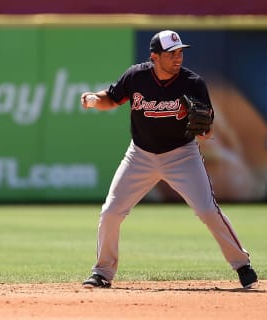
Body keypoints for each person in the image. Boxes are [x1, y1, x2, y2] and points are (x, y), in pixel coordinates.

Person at [80, 30, 257, 289]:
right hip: (140, 155)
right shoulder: (136, 76)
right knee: (111, 212)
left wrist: (204, 127)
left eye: (180, 52)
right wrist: (95, 99)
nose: (178, 58)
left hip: (181, 155)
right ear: (154, 56)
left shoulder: (193, 83)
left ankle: (242, 264)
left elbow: (207, 131)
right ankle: (102, 273)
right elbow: (113, 97)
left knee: (208, 210)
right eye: (171, 53)